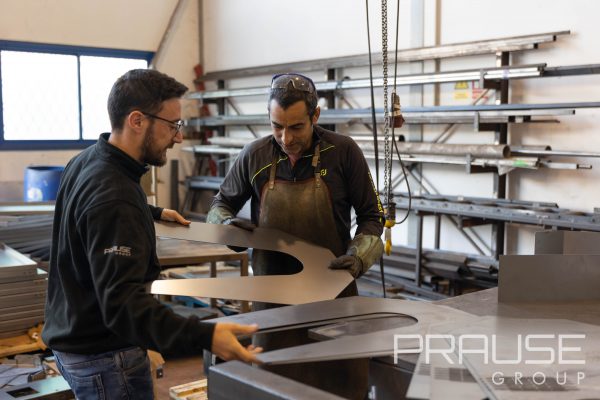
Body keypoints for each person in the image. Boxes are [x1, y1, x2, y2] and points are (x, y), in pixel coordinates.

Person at [42, 69, 261, 399]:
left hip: (72, 342)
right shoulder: (116, 197)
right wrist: (206, 335)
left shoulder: (88, 160)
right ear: (137, 121)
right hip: (105, 358)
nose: (179, 137)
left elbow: (91, 213)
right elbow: (122, 306)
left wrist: (150, 212)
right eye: (173, 125)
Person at [206, 73, 384, 399]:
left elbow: (373, 216)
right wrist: (227, 225)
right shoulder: (255, 155)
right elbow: (219, 205)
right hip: (273, 309)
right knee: (275, 390)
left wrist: (359, 257)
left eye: (296, 127)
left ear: (315, 116)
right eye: (277, 126)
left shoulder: (344, 152)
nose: (286, 138)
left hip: (333, 301)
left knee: (340, 389)